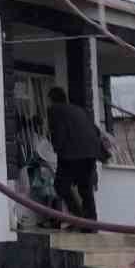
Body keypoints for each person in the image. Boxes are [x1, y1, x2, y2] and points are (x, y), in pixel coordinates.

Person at [47, 85, 104, 222]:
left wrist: (56, 148)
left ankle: (78, 218)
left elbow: (59, 131)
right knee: (85, 188)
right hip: (91, 152)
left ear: (51, 100)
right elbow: (95, 131)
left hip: (72, 153)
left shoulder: (55, 110)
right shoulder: (78, 110)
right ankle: (91, 222)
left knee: (60, 186)